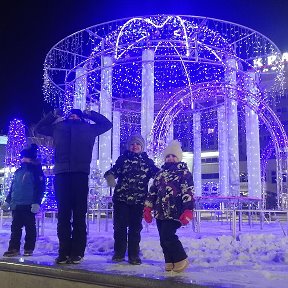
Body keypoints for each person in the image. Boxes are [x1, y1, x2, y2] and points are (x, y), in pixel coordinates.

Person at [35, 108, 112, 264]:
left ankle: (77, 252)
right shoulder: (58, 127)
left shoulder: (89, 128)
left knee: (78, 215)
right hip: (62, 174)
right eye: (71, 114)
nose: (73, 116)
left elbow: (107, 124)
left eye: (77, 115)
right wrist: (52, 115)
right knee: (63, 215)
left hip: (80, 174)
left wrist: (90, 114)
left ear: (81, 117)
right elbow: (39, 129)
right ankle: (63, 252)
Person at [104, 134, 159, 265]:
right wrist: (110, 176)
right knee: (119, 227)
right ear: (129, 146)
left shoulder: (147, 161)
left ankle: (134, 254)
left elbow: (158, 174)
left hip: (139, 201)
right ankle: (119, 253)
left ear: (142, 147)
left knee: (135, 229)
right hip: (121, 199)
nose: (135, 146)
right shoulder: (123, 159)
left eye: (138, 144)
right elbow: (113, 171)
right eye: (132, 144)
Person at [144, 140, 194, 273]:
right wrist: (148, 208)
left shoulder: (184, 174)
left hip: (175, 211)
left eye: (173, 156)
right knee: (163, 238)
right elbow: (153, 192)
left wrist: (188, 209)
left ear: (178, 158)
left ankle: (181, 259)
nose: (170, 158)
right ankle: (169, 261)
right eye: (168, 156)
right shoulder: (160, 174)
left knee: (168, 235)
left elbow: (188, 192)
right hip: (160, 212)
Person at [1, 144, 45, 257]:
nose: (22, 159)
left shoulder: (36, 172)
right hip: (16, 205)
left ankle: (29, 248)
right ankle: (13, 248)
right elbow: (13, 188)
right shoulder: (18, 172)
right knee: (15, 229)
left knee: (30, 228)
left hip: (28, 205)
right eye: (22, 157)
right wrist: (8, 200)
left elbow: (40, 188)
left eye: (24, 157)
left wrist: (36, 202)